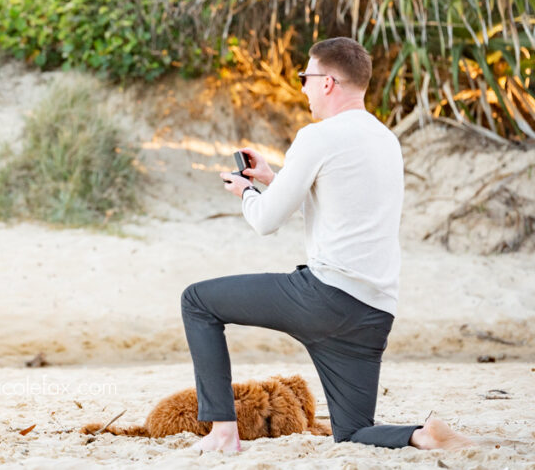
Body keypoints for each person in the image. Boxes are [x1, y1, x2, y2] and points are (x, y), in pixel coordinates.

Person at [181, 37, 471, 452]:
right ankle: (421, 435)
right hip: (373, 312)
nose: (303, 87)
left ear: (329, 82)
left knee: (197, 301)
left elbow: (266, 221)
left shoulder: (317, 136)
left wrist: (244, 191)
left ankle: (223, 432)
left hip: (323, 299)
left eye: (306, 77)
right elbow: (334, 212)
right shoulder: (385, 140)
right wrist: (267, 180)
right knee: (352, 432)